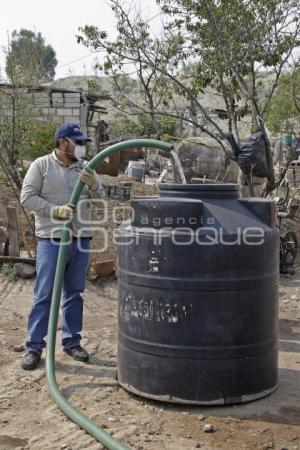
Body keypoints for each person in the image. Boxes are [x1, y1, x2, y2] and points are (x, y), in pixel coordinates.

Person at [20, 123, 105, 370]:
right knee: (44, 294)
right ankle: (34, 347)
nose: (81, 146)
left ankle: (71, 342)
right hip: (52, 241)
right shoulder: (41, 166)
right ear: (62, 141)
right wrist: (54, 211)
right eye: (76, 142)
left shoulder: (86, 169)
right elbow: (27, 197)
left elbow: (101, 202)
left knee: (74, 294)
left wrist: (93, 185)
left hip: (80, 240)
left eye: (82, 143)